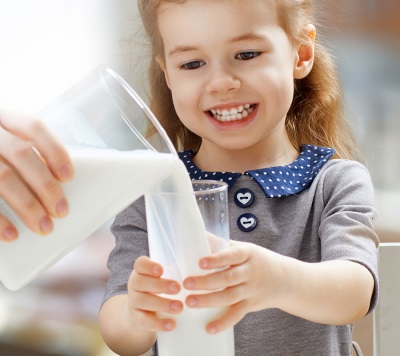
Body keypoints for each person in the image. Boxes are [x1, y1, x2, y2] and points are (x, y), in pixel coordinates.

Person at [0, 0, 378, 355]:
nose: (221, 82)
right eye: (192, 64)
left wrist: (276, 279)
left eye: (247, 54)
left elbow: (356, 292)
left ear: (301, 54)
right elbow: (118, 332)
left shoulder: (334, 182)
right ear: (167, 74)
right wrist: (138, 313)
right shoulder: (152, 188)